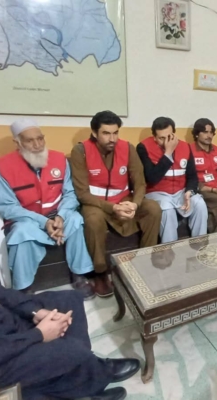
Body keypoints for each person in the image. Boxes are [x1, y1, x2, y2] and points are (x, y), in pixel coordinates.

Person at [0, 119, 94, 298]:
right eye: (30, 140)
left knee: (75, 219)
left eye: (40, 138)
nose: (37, 145)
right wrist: (43, 222)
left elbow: (70, 194)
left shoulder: (59, 159)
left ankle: (79, 274)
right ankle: (24, 286)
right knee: (21, 233)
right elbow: (8, 207)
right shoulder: (3, 167)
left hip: (58, 215)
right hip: (27, 220)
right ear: (17, 143)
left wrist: (62, 216)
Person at [70, 111, 162, 298]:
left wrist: (135, 205)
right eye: (106, 133)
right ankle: (100, 273)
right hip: (96, 204)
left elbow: (140, 183)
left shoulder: (127, 148)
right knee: (93, 220)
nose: (112, 138)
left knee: (153, 208)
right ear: (94, 133)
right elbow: (82, 193)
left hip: (124, 199)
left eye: (115, 133)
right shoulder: (80, 151)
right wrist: (112, 208)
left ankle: (144, 262)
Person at [0, 284, 139, 400]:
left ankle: (85, 370)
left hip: (6, 323)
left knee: (68, 300)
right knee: (70, 349)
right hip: (3, 358)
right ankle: (88, 378)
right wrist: (38, 335)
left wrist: (34, 312)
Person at [136, 117, 208, 243]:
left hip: (180, 192)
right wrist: (168, 153)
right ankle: (169, 250)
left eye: (169, 137)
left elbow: (192, 176)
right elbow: (151, 178)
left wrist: (189, 191)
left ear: (174, 134)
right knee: (167, 209)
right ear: (154, 137)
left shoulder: (185, 147)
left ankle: (200, 246)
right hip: (157, 193)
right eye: (161, 138)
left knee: (200, 204)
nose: (166, 142)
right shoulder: (143, 147)